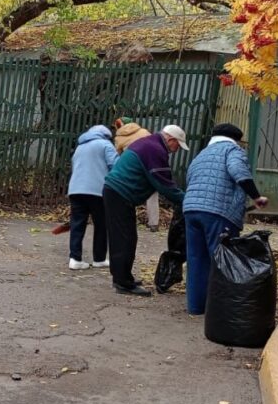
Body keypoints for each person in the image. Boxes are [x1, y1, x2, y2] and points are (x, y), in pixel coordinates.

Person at [183, 124, 269, 315]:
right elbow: (238, 171)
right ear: (236, 139)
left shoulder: (201, 154)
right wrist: (256, 197)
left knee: (196, 258)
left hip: (191, 209)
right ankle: (220, 309)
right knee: (223, 259)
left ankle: (196, 307)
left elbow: (190, 178)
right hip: (218, 212)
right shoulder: (232, 150)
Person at [102, 124, 187, 296]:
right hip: (119, 194)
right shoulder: (155, 150)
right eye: (177, 145)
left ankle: (123, 277)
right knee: (124, 239)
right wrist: (189, 200)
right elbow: (164, 185)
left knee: (125, 237)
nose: (176, 150)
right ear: (170, 140)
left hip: (117, 193)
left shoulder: (149, 144)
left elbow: (164, 181)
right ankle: (123, 283)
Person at [67, 124, 118, 270]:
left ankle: (75, 259)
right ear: (106, 135)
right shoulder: (105, 145)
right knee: (101, 225)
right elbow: (115, 165)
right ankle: (99, 258)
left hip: (76, 189)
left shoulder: (80, 147)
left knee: (77, 224)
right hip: (97, 190)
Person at [114, 116, 160, 231]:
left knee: (128, 193)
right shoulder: (144, 131)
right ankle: (154, 223)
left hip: (132, 168)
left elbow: (118, 156)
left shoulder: (119, 138)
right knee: (152, 193)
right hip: (150, 164)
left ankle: (128, 220)